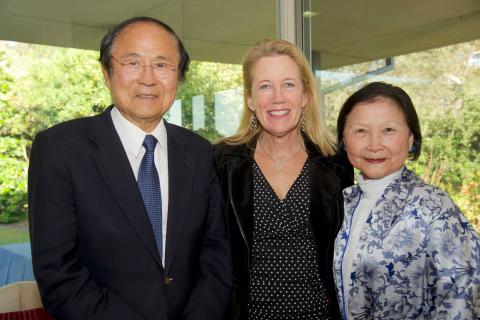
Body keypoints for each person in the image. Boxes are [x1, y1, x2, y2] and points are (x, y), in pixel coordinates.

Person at [28, 16, 232, 320]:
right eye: (133, 63)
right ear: (107, 72)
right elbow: (59, 276)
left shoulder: (199, 151)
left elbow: (216, 254)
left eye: (162, 65)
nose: (148, 78)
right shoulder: (60, 150)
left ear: (179, 76)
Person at [213, 39, 353, 320]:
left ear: (305, 95)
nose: (278, 97)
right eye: (265, 86)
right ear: (250, 99)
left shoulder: (335, 164)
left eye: (288, 84)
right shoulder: (221, 162)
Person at [333, 81, 480, 319]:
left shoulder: (434, 206)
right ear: (343, 139)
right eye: (361, 131)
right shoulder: (343, 203)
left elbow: (465, 294)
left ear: (411, 138)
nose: (374, 144)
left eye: (389, 130)